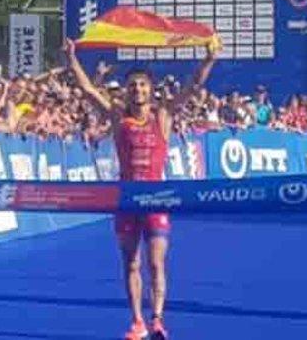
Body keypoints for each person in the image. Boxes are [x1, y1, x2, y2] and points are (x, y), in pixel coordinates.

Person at [65, 38, 216, 340]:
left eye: (143, 86)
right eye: (133, 86)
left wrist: (208, 59)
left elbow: (194, 86)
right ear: (126, 90)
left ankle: (158, 318)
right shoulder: (118, 117)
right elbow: (87, 91)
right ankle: (137, 322)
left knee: (156, 262)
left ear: (151, 89)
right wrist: (71, 58)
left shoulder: (163, 115)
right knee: (130, 263)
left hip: (157, 199)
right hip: (126, 200)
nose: (138, 91)